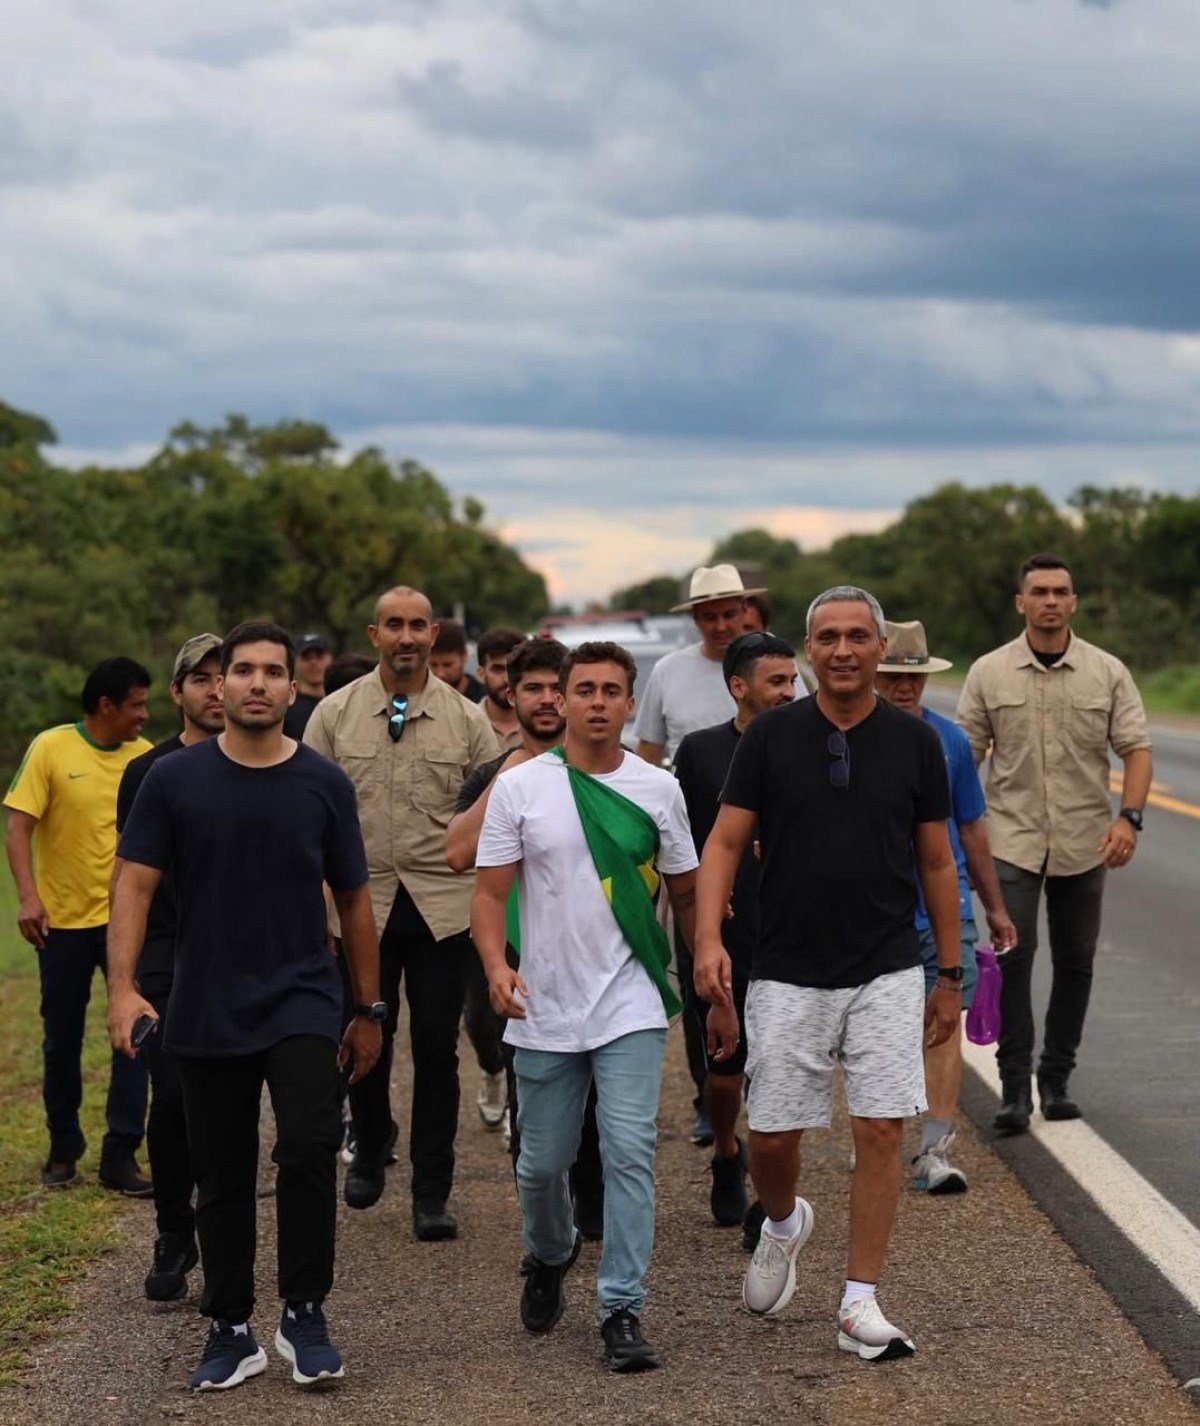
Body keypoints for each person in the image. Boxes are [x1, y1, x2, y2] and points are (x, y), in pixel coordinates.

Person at [107, 621, 382, 1393]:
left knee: (305, 1147)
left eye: (272, 672)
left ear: (294, 690)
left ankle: (304, 1312)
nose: (257, 683)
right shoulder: (173, 781)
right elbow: (132, 882)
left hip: (302, 997)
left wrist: (368, 1007)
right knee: (220, 1170)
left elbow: (357, 901)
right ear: (217, 686)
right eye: (242, 671)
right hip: (204, 1001)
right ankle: (230, 1327)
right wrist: (123, 988)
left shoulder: (322, 783)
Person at [695, 586, 961, 1362]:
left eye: (857, 636)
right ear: (808, 652)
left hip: (885, 963)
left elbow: (936, 861)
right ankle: (782, 1223)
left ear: (881, 649)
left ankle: (858, 1302)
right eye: (827, 638)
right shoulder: (771, 737)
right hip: (785, 965)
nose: (842, 650)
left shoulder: (916, 744)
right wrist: (709, 937)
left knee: (880, 1127)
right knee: (772, 1135)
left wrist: (947, 972)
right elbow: (722, 845)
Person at [472, 641, 726, 1372]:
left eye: (611, 690)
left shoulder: (658, 789)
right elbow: (489, 894)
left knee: (630, 1153)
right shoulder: (521, 787)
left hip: (630, 1003)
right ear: (564, 697)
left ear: (627, 701)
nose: (594, 702)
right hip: (543, 1005)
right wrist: (496, 966)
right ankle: (550, 1253)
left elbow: (685, 889)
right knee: (540, 1165)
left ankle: (622, 1305)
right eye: (581, 689)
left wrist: (707, 957)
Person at [304, 586, 500, 1239]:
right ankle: (369, 1144)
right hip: (361, 905)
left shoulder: (467, 720)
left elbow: (492, 815)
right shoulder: (333, 715)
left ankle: (431, 1189)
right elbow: (306, 814)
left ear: (435, 632)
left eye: (419, 625)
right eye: (395, 625)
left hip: (442, 906)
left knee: (437, 1048)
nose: (408, 637)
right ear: (374, 633)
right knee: (366, 1037)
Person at [957, 554, 1152, 1130]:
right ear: (1021, 602)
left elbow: (1136, 748)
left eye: (1059, 591)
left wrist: (1129, 819)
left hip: (1085, 839)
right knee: (1012, 960)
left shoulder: (1107, 671)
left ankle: (1057, 1078)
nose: (1049, 600)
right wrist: (953, 836)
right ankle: (1014, 1087)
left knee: (1077, 962)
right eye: (1038, 591)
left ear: (1073, 601)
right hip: (1010, 839)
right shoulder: (988, 672)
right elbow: (965, 758)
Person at [445, 638, 605, 1237]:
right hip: (517, 956)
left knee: (600, 1098)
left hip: (594, 954)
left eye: (554, 688)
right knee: (532, 1096)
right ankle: (542, 1227)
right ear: (511, 695)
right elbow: (458, 853)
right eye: (531, 688)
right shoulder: (496, 774)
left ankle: (593, 1209)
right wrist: (513, 772)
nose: (544, 700)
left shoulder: (605, 769)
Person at [874, 620, 1018, 1192]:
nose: (904, 688)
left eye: (914, 677)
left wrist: (995, 907)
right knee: (879, 1028)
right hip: (875, 908)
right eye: (893, 676)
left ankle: (933, 1149)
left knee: (943, 1024)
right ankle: (878, 1131)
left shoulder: (951, 741)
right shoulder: (847, 737)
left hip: (944, 906)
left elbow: (972, 828)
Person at [4, 657, 154, 1193]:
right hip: (62, 923)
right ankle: (63, 1145)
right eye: (136, 704)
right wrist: (28, 898)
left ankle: (121, 1153)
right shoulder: (51, 747)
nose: (144, 714)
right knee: (60, 1040)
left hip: (127, 923)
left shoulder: (147, 759)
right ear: (107, 705)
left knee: (134, 1036)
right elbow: (19, 828)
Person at [113, 633, 224, 1302]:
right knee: (176, 1097)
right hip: (167, 954)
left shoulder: (262, 762)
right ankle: (174, 1231)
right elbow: (131, 877)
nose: (216, 689)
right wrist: (121, 981)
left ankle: (223, 1237)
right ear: (177, 692)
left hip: (241, 955)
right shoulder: (148, 772)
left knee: (228, 1103)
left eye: (225, 675)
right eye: (200, 678)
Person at [674, 632, 798, 1231]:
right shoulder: (698, 754)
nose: (789, 692)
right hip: (719, 930)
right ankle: (727, 1151)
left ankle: (770, 1200)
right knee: (724, 1070)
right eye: (777, 682)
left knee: (778, 1069)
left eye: (793, 681)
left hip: (790, 932)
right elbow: (683, 843)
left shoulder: (811, 744)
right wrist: (701, 917)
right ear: (739, 687)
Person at [634, 564, 756, 1145]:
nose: (721, 624)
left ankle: (756, 1082)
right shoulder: (670, 672)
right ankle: (709, 1090)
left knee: (760, 968)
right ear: (696, 619)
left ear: (744, 611)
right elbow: (649, 752)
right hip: (690, 834)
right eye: (709, 615)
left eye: (729, 612)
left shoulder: (769, 665)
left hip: (763, 837)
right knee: (700, 967)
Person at [476, 626, 527, 751]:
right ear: (481, 674)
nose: (506, 679)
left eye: (513, 669)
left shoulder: (545, 724)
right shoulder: (463, 723)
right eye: (497, 669)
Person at [283, 634, 332, 739]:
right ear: (295, 662)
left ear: (330, 659)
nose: (313, 663)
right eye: (306, 658)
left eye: (319, 657)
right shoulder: (288, 706)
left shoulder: (341, 702)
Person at [430, 619, 484, 702]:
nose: (440, 674)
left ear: (464, 656)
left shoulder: (484, 698)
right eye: (433, 665)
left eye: (447, 665)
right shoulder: (418, 698)